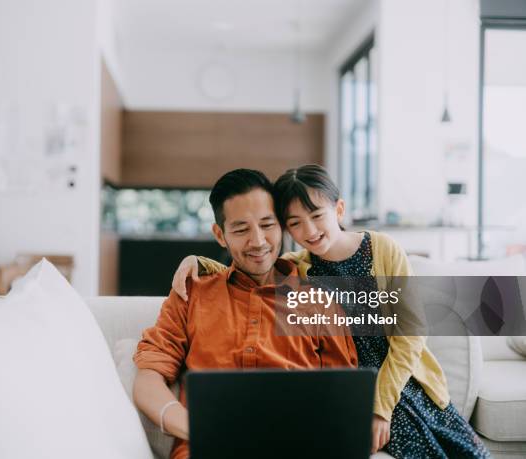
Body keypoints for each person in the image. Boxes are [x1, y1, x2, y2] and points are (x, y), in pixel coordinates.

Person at [172, 164, 490, 458]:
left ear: (338, 209)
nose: (308, 230)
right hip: (355, 390)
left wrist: (381, 407)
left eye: (316, 215)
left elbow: (411, 333)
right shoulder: (300, 266)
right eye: (294, 223)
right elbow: (251, 271)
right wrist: (197, 262)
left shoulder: (382, 249)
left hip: (400, 382)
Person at [132, 169, 358, 459]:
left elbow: (343, 396)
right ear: (220, 235)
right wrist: (199, 427)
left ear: (282, 227)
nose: (258, 241)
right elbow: (148, 378)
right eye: (240, 230)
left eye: (267, 225)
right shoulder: (192, 295)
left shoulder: (320, 303)